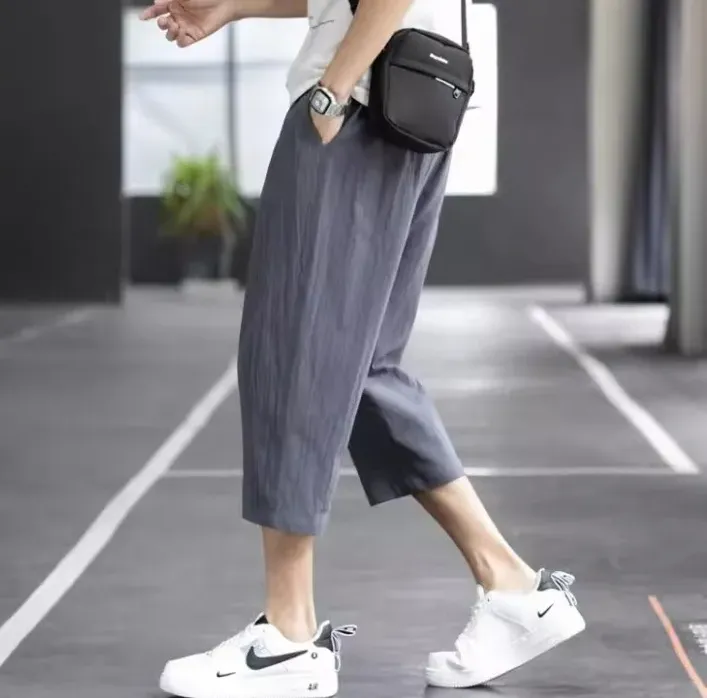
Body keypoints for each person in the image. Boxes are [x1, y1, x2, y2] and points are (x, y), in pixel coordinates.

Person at [141, 1, 586, 696]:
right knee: (364, 367)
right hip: (413, 100)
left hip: (359, 109)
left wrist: (333, 89)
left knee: (294, 355)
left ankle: (288, 640)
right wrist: (233, 6)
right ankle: (513, 587)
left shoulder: (343, 98)